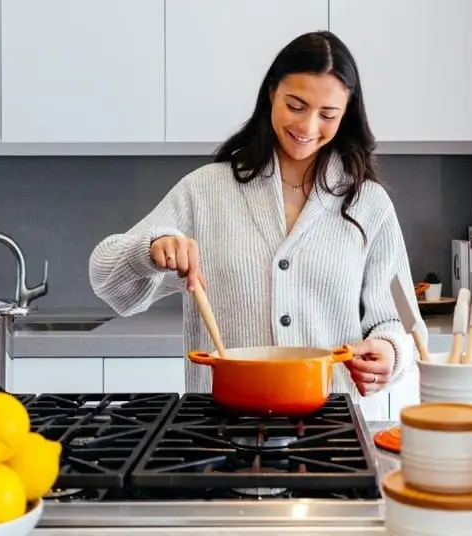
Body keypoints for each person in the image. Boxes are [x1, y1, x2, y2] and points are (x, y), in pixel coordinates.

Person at [88, 30, 426, 420]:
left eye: (328, 114)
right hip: (219, 430)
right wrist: (150, 250)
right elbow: (107, 280)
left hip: (331, 433)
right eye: (295, 105)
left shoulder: (368, 203)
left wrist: (388, 351)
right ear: (271, 94)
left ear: (346, 113)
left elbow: (398, 321)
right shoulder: (207, 190)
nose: (309, 126)